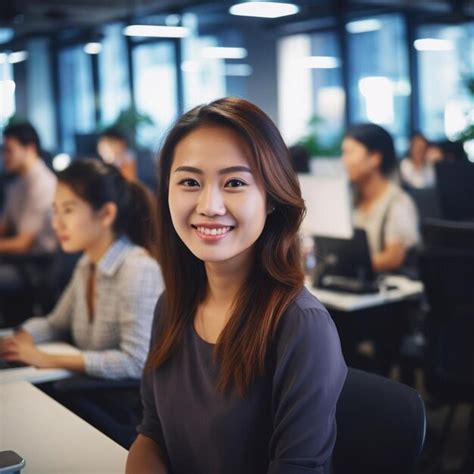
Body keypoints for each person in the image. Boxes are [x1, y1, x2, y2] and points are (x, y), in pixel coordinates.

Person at [126, 97, 347, 474]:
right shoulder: (172, 306)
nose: (209, 205)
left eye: (234, 182)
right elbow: (153, 435)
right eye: (190, 182)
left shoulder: (302, 327)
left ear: (272, 199)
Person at [0, 159, 162, 380]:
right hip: (91, 392)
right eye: (55, 211)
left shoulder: (138, 268)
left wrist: (46, 359)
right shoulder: (87, 264)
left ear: (106, 214)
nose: (57, 224)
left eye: (68, 210)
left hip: (122, 406)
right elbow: (55, 324)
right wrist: (23, 336)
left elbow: (137, 362)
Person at [342, 123, 420, 274]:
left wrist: (345, 267)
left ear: (375, 158)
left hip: (387, 291)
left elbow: (393, 258)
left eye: (350, 152)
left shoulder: (398, 202)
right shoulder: (351, 199)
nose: (344, 160)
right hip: (355, 287)